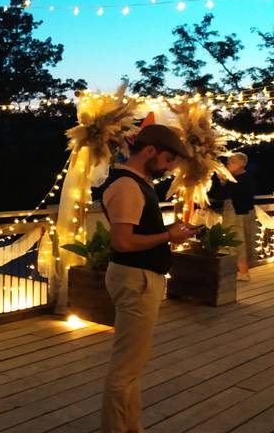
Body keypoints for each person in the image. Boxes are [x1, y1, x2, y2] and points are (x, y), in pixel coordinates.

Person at [99, 124, 199, 433]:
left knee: (133, 364)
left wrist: (170, 234)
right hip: (136, 279)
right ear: (150, 151)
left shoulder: (137, 182)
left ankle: (131, 426)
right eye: (168, 159)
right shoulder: (128, 186)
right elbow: (124, 242)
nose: (169, 167)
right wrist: (169, 234)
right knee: (126, 368)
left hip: (140, 277)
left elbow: (137, 234)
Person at [212, 152, 257, 280]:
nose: (227, 164)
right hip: (246, 212)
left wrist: (222, 180)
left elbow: (220, 194)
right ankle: (243, 271)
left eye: (231, 162)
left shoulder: (236, 180)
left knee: (237, 242)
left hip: (237, 213)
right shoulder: (246, 177)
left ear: (240, 164)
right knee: (243, 241)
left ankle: (243, 272)